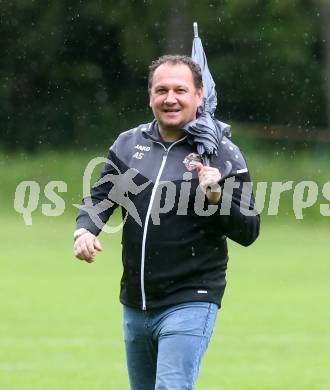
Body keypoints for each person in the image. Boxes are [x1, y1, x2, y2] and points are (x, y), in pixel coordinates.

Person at [73, 54, 260, 389]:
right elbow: (102, 198)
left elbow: (248, 230)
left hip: (192, 297)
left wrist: (216, 198)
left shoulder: (223, 153)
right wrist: (85, 229)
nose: (170, 98)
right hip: (135, 302)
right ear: (150, 96)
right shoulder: (128, 144)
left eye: (180, 90)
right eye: (161, 90)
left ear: (199, 96)